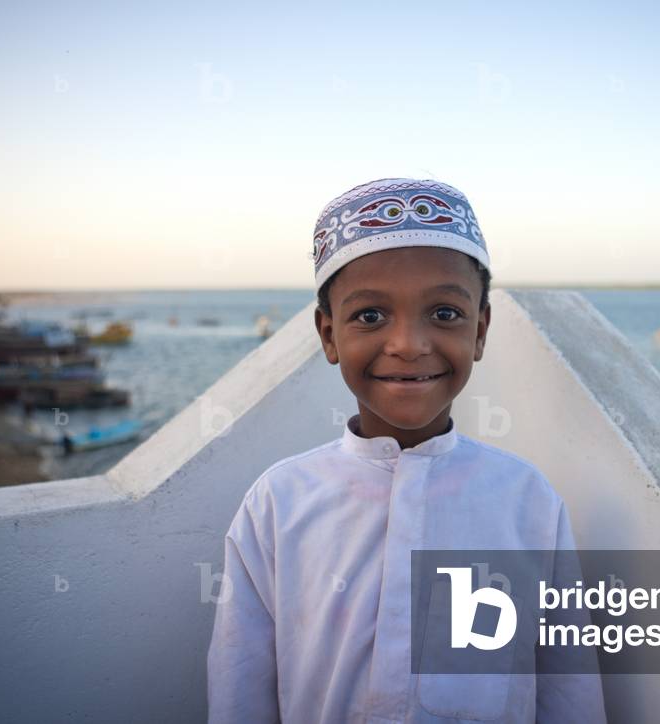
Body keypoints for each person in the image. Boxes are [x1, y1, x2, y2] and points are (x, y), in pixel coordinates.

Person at [206, 177, 607, 723]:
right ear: (328, 335)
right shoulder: (278, 503)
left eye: (444, 313)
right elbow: (240, 688)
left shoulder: (526, 501)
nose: (409, 344)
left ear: (481, 330)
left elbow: (569, 687)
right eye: (370, 316)